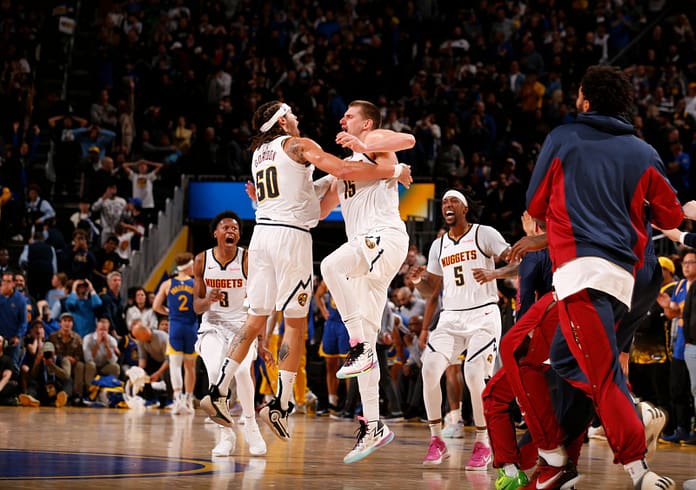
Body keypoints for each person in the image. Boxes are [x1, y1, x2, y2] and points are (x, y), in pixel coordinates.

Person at [200, 100, 412, 444]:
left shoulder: (257, 155)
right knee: (295, 322)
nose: (298, 117)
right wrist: (394, 172)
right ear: (283, 120)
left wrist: (333, 179)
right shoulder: (300, 144)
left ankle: (217, 389)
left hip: (261, 236)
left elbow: (311, 201)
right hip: (290, 238)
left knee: (254, 320)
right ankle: (282, 403)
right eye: (292, 113)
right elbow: (342, 173)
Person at [523, 65, 682, 489]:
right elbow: (669, 214)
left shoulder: (562, 138)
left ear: (586, 101)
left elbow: (534, 201)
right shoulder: (645, 152)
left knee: (604, 373)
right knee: (563, 360)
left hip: (580, 273)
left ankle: (637, 466)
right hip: (624, 282)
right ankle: (566, 465)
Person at [309, 99, 415, 463]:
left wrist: (372, 154)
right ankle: (374, 425)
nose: (342, 119)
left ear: (366, 123)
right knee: (368, 346)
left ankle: (359, 346)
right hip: (366, 250)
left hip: (384, 237)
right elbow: (320, 212)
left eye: (349, 116)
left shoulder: (378, 144)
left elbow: (409, 141)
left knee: (331, 266)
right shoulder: (346, 167)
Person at [409, 189, 510, 470]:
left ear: (465, 209)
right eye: (444, 202)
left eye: (453, 201)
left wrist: (496, 273)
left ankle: (483, 443)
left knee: (474, 374)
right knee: (428, 369)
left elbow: (518, 261)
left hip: (484, 314)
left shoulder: (484, 234)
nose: (447, 205)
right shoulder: (438, 245)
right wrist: (418, 281)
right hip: (451, 317)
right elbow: (432, 289)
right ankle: (436, 440)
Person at [193, 211, 266, 457]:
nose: (231, 231)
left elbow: (260, 303)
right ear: (216, 233)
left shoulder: (247, 259)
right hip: (212, 324)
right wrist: (207, 300)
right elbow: (196, 306)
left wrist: (262, 339)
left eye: (234, 228)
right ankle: (226, 434)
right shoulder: (202, 260)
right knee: (215, 372)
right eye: (225, 227)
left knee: (243, 371)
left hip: (242, 326)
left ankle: (251, 426)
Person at [152, 253, 198, 415]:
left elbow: (156, 306)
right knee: (190, 367)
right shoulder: (196, 283)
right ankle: (189, 400)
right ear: (187, 267)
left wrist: (168, 311)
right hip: (191, 326)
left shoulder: (167, 284)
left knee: (175, 365)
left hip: (175, 326)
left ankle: (177, 399)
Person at [314, 279, 350, 416]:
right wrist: (323, 310)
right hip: (332, 323)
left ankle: (349, 403)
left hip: (346, 322)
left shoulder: (353, 276)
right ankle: (332, 401)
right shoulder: (330, 276)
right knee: (330, 363)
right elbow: (318, 295)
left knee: (348, 365)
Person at [48, 312, 86, 406]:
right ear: (60, 323)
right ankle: (64, 395)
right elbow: (50, 353)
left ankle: (77, 395)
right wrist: (63, 359)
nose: (67, 323)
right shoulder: (53, 337)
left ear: (72, 324)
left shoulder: (77, 338)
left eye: (69, 321)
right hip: (58, 365)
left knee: (80, 365)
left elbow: (80, 355)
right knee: (65, 376)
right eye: (65, 321)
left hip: (72, 365)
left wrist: (74, 359)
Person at [0, 271, 28, 372]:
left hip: (14, 336)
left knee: (13, 365)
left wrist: (18, 336)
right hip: (0, 336)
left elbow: (24, 322)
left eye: (8, 281)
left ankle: (14, 385)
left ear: (13, 284)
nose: (5, 284)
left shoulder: (20, 299)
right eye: (3, 281)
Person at [83, 318, 120, 387]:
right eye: (101, 330)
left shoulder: (112, 340)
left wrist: (107, 346)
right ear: (96, 329)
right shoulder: (88, 339)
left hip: (104, 367)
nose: (103, 332)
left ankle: (111, 388)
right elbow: (88, 359)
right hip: (92, 367)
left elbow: (113, 361)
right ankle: (89, 390)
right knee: (91, 365)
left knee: (115, 367)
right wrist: (97, 344)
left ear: (108, 330)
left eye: (105, 330)